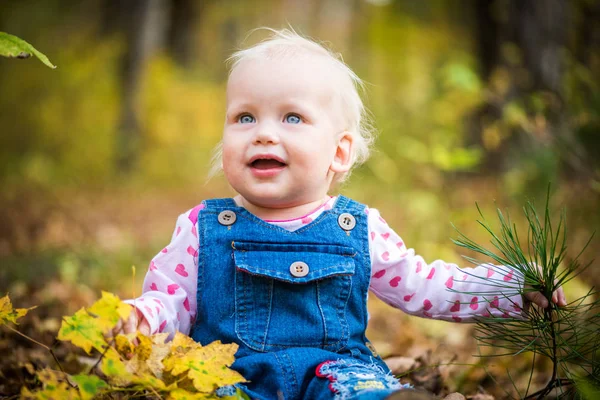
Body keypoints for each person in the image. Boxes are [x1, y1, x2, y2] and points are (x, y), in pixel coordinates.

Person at [115, 28, 567, 400]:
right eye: (244, 118)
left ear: (340, 151)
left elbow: (426, 285)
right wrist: (143, 317)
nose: (263, 134)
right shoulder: (202, 228)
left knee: (363, 390)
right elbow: (171, 298)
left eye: (292, 118)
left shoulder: (359, 229)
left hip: (336, 375)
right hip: (227, 377)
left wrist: (510, 287)